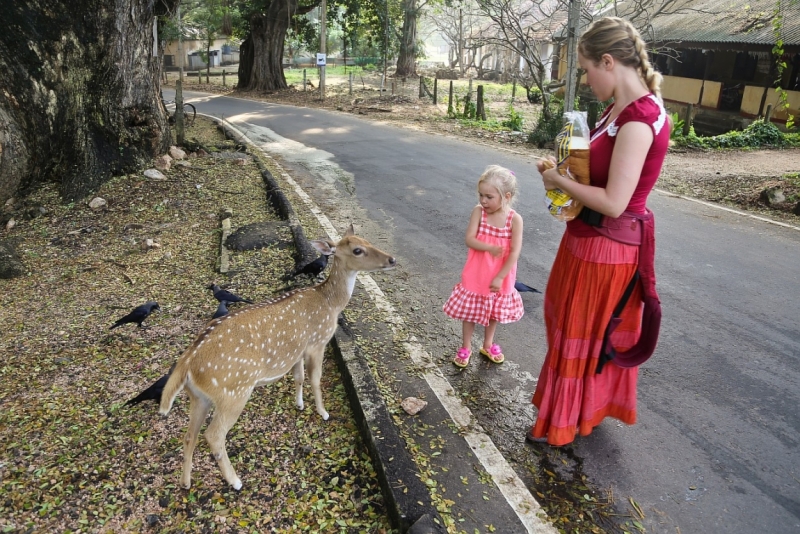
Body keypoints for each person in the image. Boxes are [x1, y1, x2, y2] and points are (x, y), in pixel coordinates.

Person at [528, 17, 670, 446]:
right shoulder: (616, 111)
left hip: (608, 246)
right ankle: (577, 412)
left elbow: (614, 202)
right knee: (570, 325)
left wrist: (557, 181)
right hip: (587, 240)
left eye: (588, 69)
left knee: (583, 331)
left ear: (609, 62)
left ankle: (564, 422)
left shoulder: (639, 120)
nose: (587, 80)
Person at [443, 165, 524, 367]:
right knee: (469, 312)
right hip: (477, 274)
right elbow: (469, 239)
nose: (483, 201)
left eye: (489, 197)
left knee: (494, 312)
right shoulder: (479, 212)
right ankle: (466, 346)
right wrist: (488, 247)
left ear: (506, 196)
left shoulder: (514, 220)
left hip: (500, 276)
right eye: (481, 195)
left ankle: (487, 344)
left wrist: (500, 277)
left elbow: (515, 252)